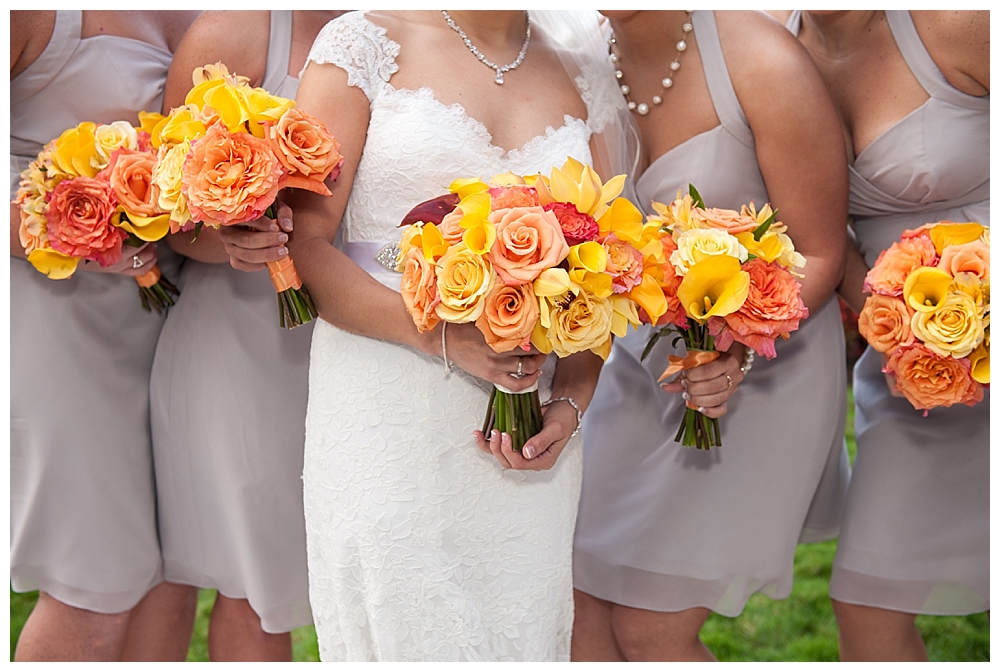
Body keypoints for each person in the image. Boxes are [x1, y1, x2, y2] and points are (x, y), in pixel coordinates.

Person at [223, 9, 624, 661]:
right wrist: (444, 339)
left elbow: (605, 269)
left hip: (526, 448)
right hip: (388, 416)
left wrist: (572, 401)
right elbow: (309, 245)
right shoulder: (363, 44)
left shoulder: (583, 68)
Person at [570, 10, 851, 661]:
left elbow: (820, 253)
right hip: (641, 374)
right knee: (577, 596)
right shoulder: (580, 63)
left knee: (651, 628)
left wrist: (732, 352)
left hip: (767, 373)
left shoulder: (760, 61)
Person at [778, 10, 989, 661]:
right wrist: (899, 321)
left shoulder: (956, 24)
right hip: (910, 372)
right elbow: (817, 236)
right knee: (868, 601)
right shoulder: (773, 53)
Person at [147, 10, 346, 662]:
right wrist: (231, 235)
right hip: (246, 342)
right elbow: (169, 216)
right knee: (255, 584)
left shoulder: (414, 30)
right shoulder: (236, 33)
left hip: (365, 344)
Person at [10, 9, 199, 661]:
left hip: (176, 319)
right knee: (92, 588)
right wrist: (62, 225)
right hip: (57, 319)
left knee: (169, 582)